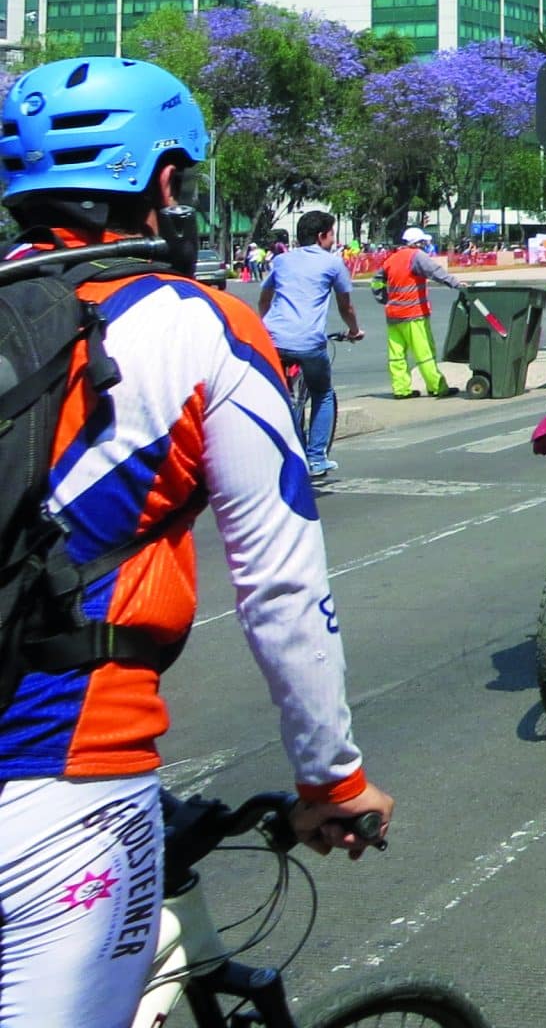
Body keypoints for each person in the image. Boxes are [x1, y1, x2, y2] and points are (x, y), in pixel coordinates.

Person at [0, 58, 394, 1028]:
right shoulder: (201, 326)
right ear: (164, 185)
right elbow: (282, 587)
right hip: (61, 780)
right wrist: (331, 778)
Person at [260, 208, 365, 480]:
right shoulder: (332, 264)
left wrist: (262, 323)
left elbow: (265, 297)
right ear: (322, 236)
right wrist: (354, 330)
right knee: (323, 393)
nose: (333, 239)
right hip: (307, 342)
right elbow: (347, 307)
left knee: (279, 395)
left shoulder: (282, 261)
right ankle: (316, 458)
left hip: (272, 339)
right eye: (331, 234)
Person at [379, 224, 461, 399]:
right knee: (425, 353)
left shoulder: (391, 259)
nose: (425, 245)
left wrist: (384, 299)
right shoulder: (417, 256)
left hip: (393, 315)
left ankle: (401, 389)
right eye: (423, 242)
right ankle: (437, 387)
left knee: (397, 355)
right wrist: (456, 284)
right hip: (413, 314)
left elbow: (376, 282)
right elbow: (436, 272)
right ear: (418, 243)